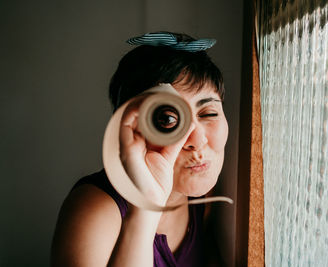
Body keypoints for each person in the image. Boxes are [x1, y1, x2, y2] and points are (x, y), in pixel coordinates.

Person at [51, 32, 229, 267]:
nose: (196, 140)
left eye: (208, 114)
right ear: (133, 129)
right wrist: (145, 209)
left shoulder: (204, 200)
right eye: (168, 119)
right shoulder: (94, 211)